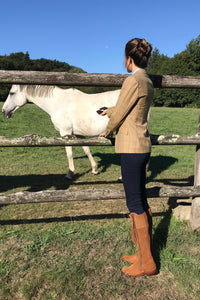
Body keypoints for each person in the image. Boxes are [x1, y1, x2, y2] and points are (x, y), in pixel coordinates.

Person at [99, 38, 157, 277]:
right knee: (141, 201)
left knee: (134, 205)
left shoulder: (132, 80)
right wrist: (108, 111)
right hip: (141, 146)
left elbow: (121, 113)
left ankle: (147, 263)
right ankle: (142, 254)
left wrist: (108, 129)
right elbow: (128, 110)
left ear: (129, 59)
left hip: (131, 149)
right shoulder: (146, 80)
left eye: (124, 58)